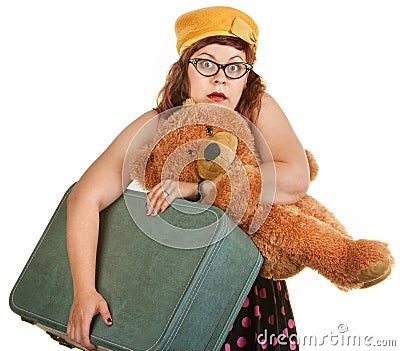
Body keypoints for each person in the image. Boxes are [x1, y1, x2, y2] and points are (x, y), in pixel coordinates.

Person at [66, 6, 309, 351]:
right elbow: (85, 197)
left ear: (247, 75)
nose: (221, 78)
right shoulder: (157, 122)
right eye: (207, 63)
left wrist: (200, 189)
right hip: (170, 282)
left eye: (235, 66)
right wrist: (84, 291)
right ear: (184, 68)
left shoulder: (257, 109)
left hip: (246, 289)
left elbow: (296, 178)